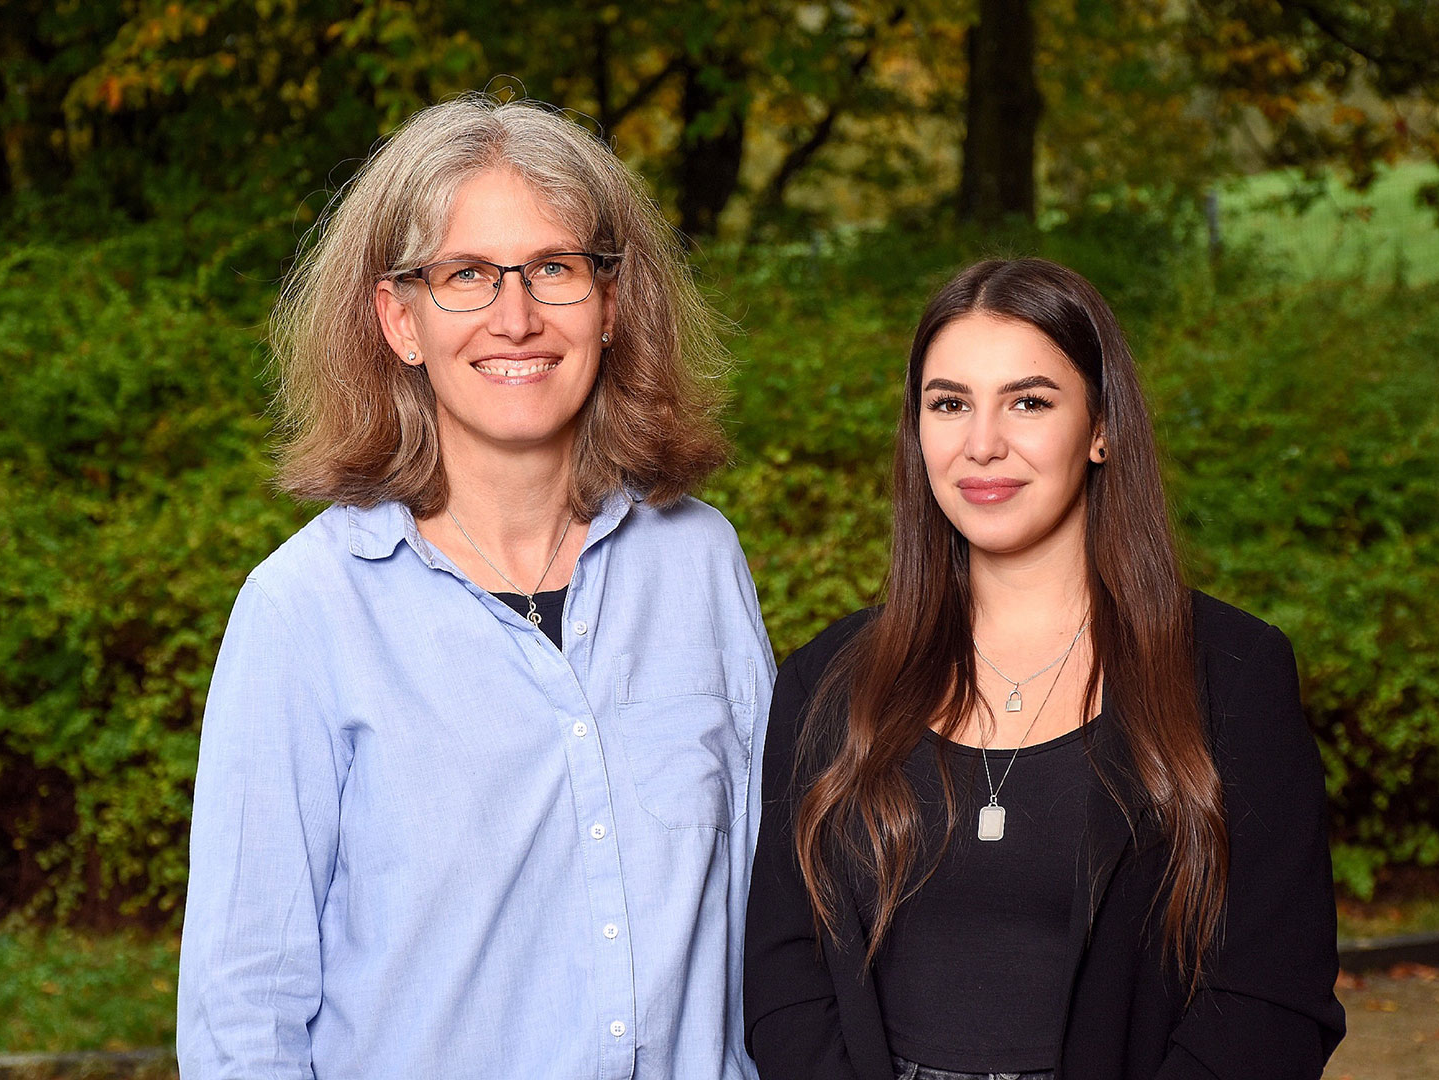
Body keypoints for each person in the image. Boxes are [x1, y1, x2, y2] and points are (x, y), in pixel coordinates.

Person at [177, 94, 775, 1080]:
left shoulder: (699, 564)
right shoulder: (304, 615)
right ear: (399, 320)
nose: (517, 317)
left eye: (555, 268)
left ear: (612, 302)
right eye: (465, 274)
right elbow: (246, 1012)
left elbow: (767, 922)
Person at [742, 258, 1345, 1080]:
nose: (983, 443)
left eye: (1029, 401)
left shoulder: (1231, 676)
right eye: (949, 404)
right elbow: (785, 982)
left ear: (1100, 428)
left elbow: (1273, 999)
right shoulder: (829, 683)